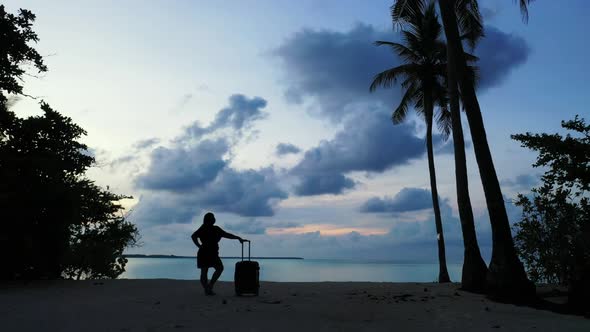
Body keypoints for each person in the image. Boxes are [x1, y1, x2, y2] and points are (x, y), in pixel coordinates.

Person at [191, 212, 247, 295]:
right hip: (206, 252)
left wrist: (238, 238)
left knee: (217, 269)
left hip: (210, 253)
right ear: (210, 220)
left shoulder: (214, 229)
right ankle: (208, 288)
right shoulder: (205, 228)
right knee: (206, 271)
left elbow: (227, 235)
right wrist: (198, 245)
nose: (214, 219)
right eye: (213, 218)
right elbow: (193, 236)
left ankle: (209, 287)